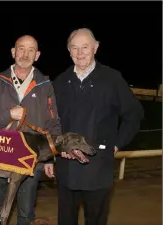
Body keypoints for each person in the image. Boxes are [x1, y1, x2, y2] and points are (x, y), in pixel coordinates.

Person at [51, 28, 144, 225]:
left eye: (85, 47)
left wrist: (116, 145)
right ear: (69, 51)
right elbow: (52, 123)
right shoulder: (60, 82)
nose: (80, 52)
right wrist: (54, 152)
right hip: (67, 169)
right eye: (75, 48)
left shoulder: (112, 79)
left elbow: (134, 115)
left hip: (98, 168)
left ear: (96, 48)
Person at [0, 35, 62, 225]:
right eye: (21, 49)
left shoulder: (45, 85)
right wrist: (8, 115)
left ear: (37, 55)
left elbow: (52, 123)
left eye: (31, 50)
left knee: (25, 214)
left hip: (32, 160)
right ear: (13, 52)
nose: (25, 54)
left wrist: (49, 157)